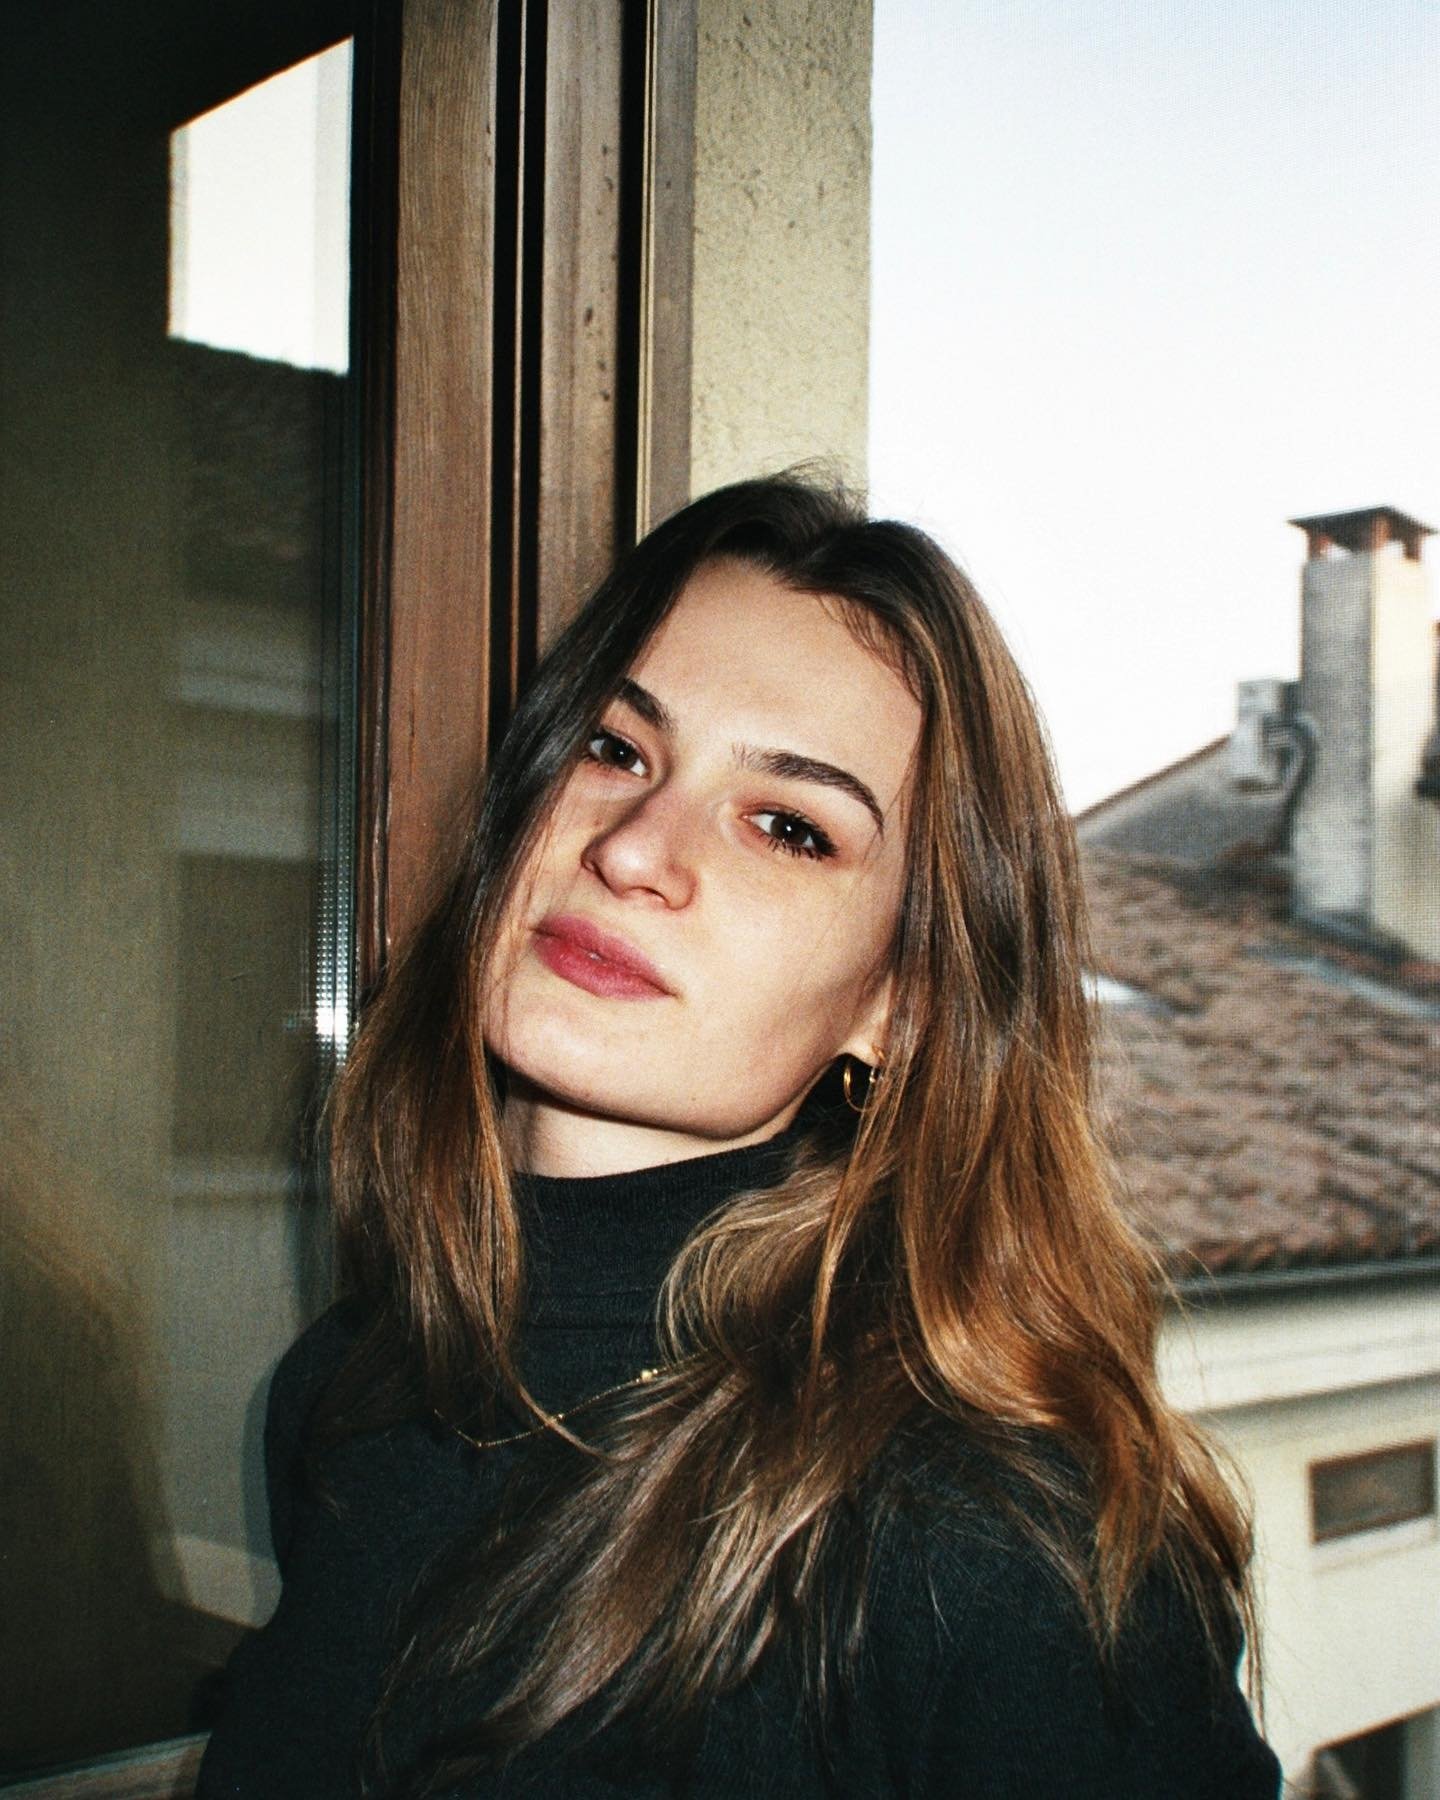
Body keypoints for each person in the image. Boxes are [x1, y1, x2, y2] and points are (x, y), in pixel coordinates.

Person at [197, 476, 1281, 1798]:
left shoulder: (985, 1554)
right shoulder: (350, 1389)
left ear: (906, 1004)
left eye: (789, 827)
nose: (635, 849)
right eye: (613, 749)